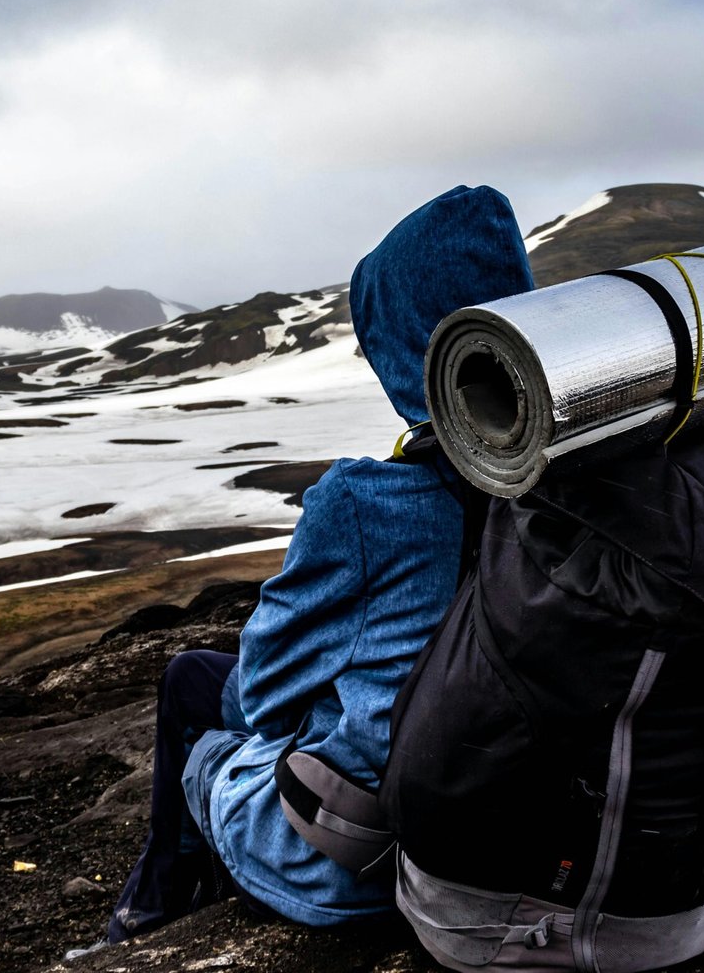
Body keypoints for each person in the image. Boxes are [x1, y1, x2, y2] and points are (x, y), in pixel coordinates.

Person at [80, 186, 537, 956]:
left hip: (366, 869)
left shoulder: (371, 501)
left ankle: (147, 922)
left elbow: (262, 691)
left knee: (200, 703)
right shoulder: (579, 483)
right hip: (519, 844)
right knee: (201, 677)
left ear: (405, 339)